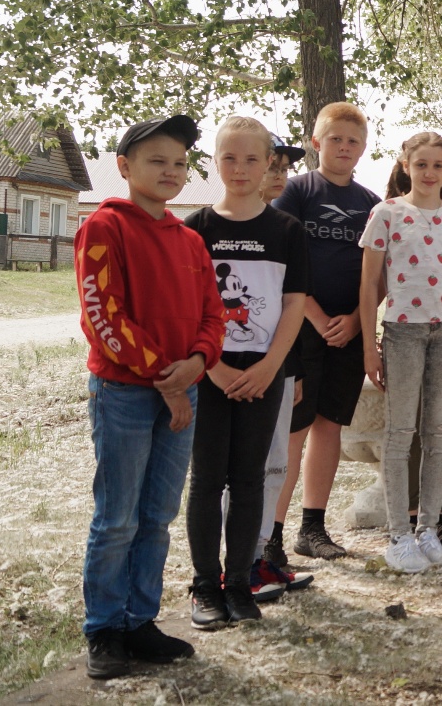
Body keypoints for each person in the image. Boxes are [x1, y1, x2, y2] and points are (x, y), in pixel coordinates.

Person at [74, 114, 223, 679]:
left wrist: (198, 363)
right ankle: (105, 629)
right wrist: (170, 379)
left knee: (157, 516)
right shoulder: (105, 227)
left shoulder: (189, 239)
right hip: (126, 396)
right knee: (117, 517)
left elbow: (214, 314)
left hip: (182, 390)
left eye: (180, 162)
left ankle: (140, 620)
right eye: (156, 160)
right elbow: (102, 316)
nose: (170, 171)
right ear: (125, 167)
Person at [183, 117, 309, 626]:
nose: (240, 169)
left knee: (251, 479)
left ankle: (239, 582)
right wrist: (210, 367)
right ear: (215, 163)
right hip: (209, 374)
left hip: (264, 375)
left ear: (268, 165)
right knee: (208, 479)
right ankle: (204, 585)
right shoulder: (195, 229)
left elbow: (294, 305)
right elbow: (187, 306)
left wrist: (270, 368)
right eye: (229, 158)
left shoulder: (287, 230)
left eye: (251, 159)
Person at [359, 132, 442, 572]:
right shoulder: (387, 213)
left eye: (438, 166)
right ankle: (397, 536)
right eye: (422, 164)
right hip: (403, 333)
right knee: (399, 433)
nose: (430, 173)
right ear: (406, 165)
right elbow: (370, 284)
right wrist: (368, 345)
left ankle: (428, 528)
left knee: (438, 433)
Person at [272, 101, 380, 560]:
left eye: (352, 141)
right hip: (300, 327)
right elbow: (281, 262)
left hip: (350, 331)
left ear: (363, 149)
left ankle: (311, 529)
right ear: (317, 143)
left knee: (329, 427)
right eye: (334, 139)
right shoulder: (297, 192)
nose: (343, 147)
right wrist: (314, 317)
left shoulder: (371, 205)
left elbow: (381, 274)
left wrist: (356, 321)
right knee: (292, 432)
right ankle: (270, 534)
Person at [250, 135, 314, 592]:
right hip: (228, 369)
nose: (277, 174)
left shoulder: (287, 228)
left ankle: (263, 554)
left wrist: (292, 368)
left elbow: (290, 307)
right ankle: (231, 565)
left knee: (275, 464)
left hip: (280, 365)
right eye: (269, 164)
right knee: (236, 471)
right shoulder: (209, 226)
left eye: (283, 167)